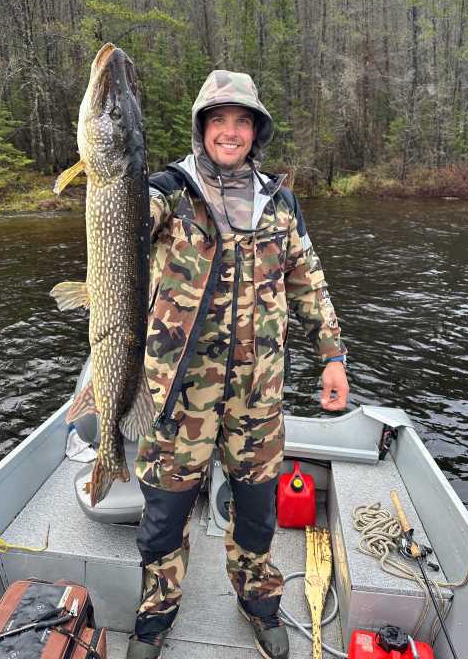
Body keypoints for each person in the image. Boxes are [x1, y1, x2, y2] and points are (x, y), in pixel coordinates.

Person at [127, 70, 349, 659]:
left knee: (256, 512)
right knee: (163, 514)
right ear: (203, 129)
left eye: (242, 120)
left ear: (256, 130)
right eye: (219, 120)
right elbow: (123, 223)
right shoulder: (166, 191)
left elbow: (309, 284)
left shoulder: (279, 201)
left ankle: (258, 600)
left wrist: (332, 355)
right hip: (179, 392)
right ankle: (155, 615)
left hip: (259, 394)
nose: (231, 131)